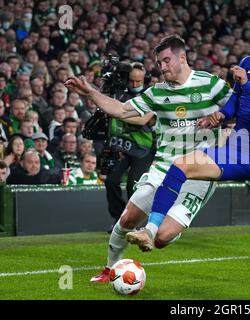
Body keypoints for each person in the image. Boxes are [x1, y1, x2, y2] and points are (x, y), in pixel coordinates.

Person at [125, 20, 250, 280]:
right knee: (180, 165)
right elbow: (234, 102)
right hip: (237, 148)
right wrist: (219, 115)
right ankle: (150, 230)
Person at [65, 34, 233, 283]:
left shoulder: (211, 85)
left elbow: (239, 109)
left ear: (182, 58)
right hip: (164, 167)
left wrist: (223, 122)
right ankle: (111, 270)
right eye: (159, 62)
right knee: (126, 219)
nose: (162, 67)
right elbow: (122, 110)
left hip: (199, 173)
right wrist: (90, 92)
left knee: (161, 239)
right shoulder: (157, 93)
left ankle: (160, 231)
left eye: (166, 61)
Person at [104, 62, 156, 233]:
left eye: (138, 81)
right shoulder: (119, 94)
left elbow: (143, 120)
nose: (134, 85)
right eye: (132, 81)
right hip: (121, 145)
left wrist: (118, 114)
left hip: (144, 147)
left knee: (132, 184)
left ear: (144, 80)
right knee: (111, 180)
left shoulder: (152, 96)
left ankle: (133, 222)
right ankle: (120, 220)